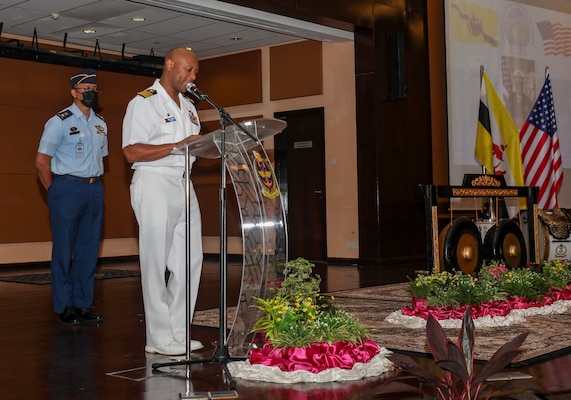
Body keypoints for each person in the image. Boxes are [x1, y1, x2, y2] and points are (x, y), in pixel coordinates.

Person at [122, 47, 204, 356]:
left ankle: (178, 332)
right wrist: (176, 146)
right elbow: (131, 151)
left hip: (184, 182)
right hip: (154, 181)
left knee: (190, 260)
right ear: (169, 65)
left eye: (195, 72)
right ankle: (157, 338)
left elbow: (193, 146)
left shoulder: (190, 106)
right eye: (187, 69)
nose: (191, 76)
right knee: (155, 263)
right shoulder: (144, 102)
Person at [35, 68, 107, 326]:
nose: (90, 94)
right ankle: (64, 306)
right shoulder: (60, 121)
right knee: (64, 250)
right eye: (85, 91)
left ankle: (82, 305)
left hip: (94, 188)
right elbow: (42, 161)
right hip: (66, 188)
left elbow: (102, 158)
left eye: (94, 91)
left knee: (88, 251)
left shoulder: (100, 124)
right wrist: (54, 191)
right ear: (74, 93)